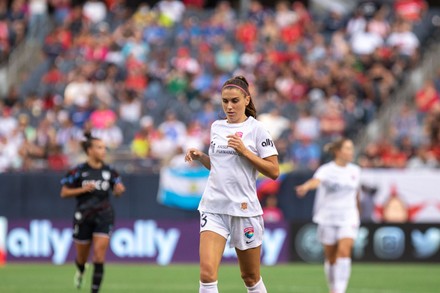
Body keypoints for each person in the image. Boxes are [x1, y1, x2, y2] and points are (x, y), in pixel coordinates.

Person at [185, 76, 279, 293]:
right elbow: (220, 167)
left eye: (234, 101)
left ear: (247, 100)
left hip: (244, 210)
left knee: (250, 277)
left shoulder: (257, 130)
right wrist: (201, 157)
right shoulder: (216, 127)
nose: (229, 106)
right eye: (225, 101)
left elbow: (274, 171)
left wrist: (245, 152)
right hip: (213, 207)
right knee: (207, 274)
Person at [60, 132, 125, 293]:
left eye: (104, 148)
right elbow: (64, 192)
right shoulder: (78, 171)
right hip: (83, 215)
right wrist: (82, 189)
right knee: (82, 258)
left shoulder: (110, 171)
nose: (103, 151)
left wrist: (119, 191)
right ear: (89, 150)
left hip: (104, 214)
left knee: (98, 256)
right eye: (99, 147)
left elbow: (117, 191)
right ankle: (81, 270)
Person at [295, 138, 361, 293]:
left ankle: (339, 290)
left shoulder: (356, 171)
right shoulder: (326, 169)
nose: (351, 152)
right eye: (348, 148)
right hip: (328, 216)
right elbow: (316, 181)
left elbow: (356, 195)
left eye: (352, 148)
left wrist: (358, 213)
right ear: (338, 152)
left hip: (349, 217)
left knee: (344, 251)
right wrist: (305, 187)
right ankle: (333, 287)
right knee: (331, 257)